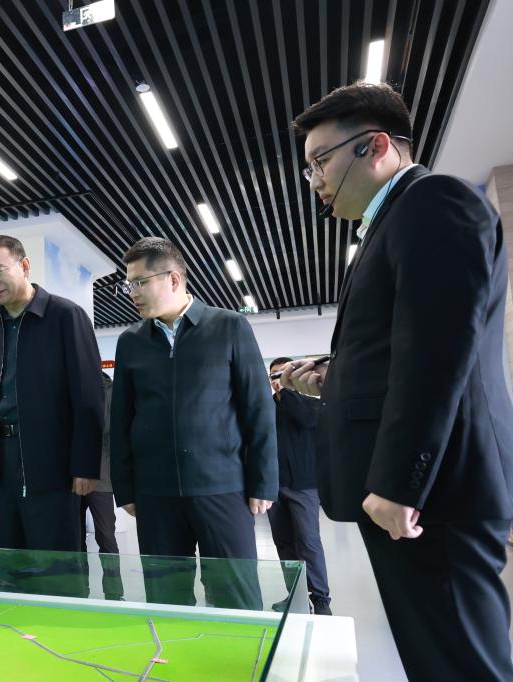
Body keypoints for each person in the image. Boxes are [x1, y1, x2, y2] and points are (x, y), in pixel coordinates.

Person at [283, 81, 513, 681]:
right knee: (438, 658)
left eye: (320, 162)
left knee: (461, 664)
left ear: (377, 145)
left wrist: (399, 481)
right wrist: (331, 378)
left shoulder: (433, 202)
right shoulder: (396, 222)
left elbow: (438, 352)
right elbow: (400, 352)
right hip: (423, 495)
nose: (314, 181)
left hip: (434, 494)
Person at [110, 237, 277, 608]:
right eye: (129, 284)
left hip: (223, 486)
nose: (132, 293)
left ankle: (240, 648)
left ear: (173, 279)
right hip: (155, 493)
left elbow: (258, 408)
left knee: (236, 594)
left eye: (139, 283)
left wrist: (263, 481)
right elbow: (121, 419)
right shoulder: (131, 342)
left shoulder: (229, 327)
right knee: (165, 597)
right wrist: (126, 489)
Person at [0, 235, 104, 596]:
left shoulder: (65, 316)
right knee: (10, 557)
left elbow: (89, 396)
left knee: (57, 557)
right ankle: (14, 620)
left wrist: (85, 464)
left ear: (25, 266)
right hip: (2, 460)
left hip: (54, 460)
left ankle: (64, 620)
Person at [267, 357, 331, 616]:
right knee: (284, 544)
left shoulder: (310, 403)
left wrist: (288, 392)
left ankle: (321, 599)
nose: (277, 380)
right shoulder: (265, 407)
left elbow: (305, 420)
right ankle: (296, 597)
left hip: (304, 486)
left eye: (282, 374)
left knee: (308, 542)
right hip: (274, 487)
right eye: (273, 375)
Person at [79, 369, 124, 601]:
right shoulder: (72, 386)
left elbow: (113, 432)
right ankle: (78, 590)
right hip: (72, 476)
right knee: (74, 538)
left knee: (106, 536)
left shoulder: (112, 390)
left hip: (101, 476)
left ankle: (114, 593)